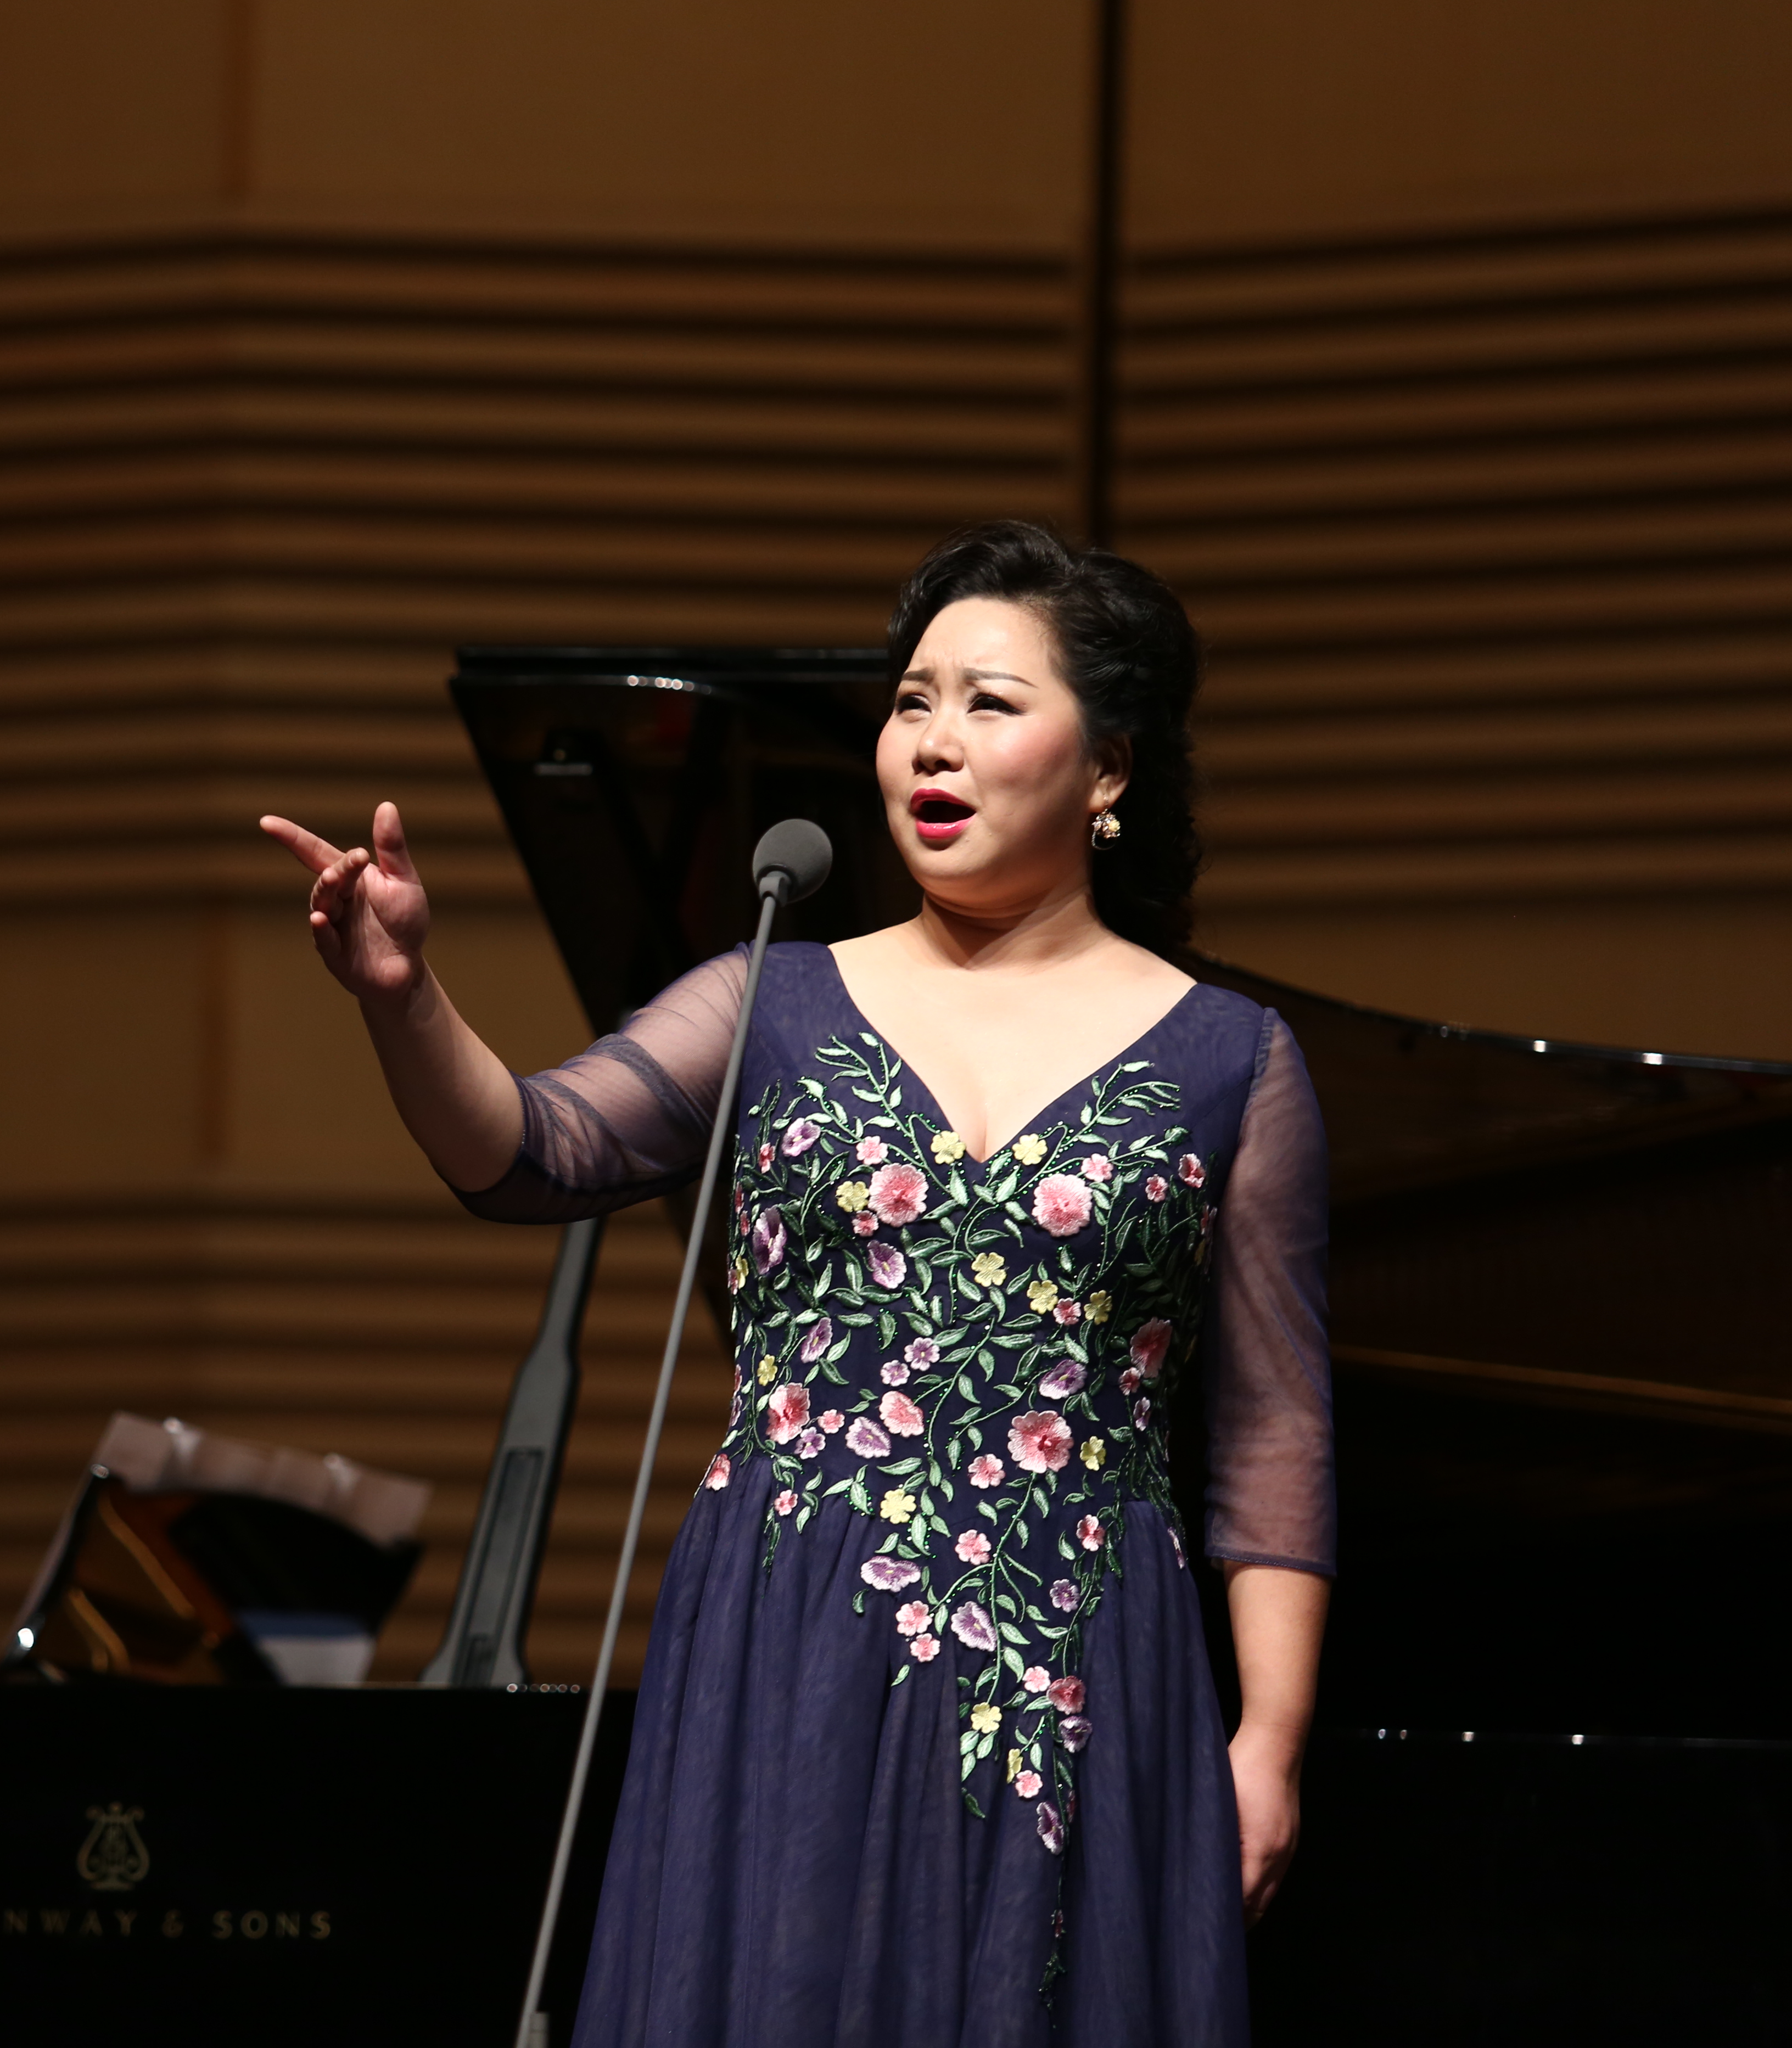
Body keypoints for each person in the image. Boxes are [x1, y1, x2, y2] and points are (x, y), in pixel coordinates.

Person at [261, 521, 1332, 2045]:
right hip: (791, 1638)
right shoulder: (772, 999)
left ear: (1109, 769)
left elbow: (1275, 1432)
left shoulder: (1233, 1060)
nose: (932, 742)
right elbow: (532, 1151)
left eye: (990, 703)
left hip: (1085, 1659)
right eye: (911, 703)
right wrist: (402, 997)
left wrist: (1269, 1741)